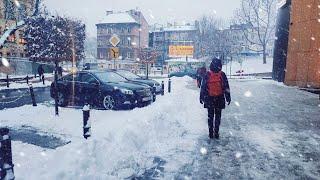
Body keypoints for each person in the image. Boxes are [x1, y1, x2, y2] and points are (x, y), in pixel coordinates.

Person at [200, 58, 231, 139]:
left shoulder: (208, 74)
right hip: (219, 98)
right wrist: (228, 97)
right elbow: (226, 87)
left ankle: (210, 133)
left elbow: (203, 86)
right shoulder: (222, 74)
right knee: (218, 116)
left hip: (209, 98)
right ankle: (216, 132)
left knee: (210, 116)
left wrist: (201, 97)